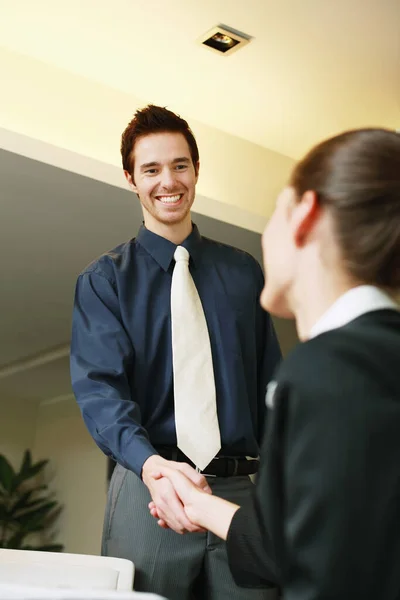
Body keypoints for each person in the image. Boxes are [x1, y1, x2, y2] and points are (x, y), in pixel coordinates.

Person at [150, 127, 400, 599]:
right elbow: (298, 541)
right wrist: (201, 507)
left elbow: (324, 576)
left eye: (275, 214)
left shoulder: (327, 369)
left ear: (304, 214)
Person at [70, 104, 281, 600]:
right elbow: (101, 393)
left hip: (239, 492)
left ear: (196, 170)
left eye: (180, 165)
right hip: (150, 484)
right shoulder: (103, 281)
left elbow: (271, 388)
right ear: (131, 178)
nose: (169, 181)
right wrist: (151, 466)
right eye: (152, 169)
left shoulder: (244, 272)